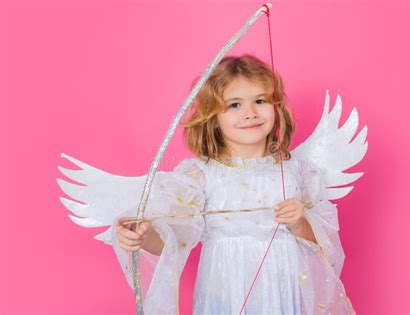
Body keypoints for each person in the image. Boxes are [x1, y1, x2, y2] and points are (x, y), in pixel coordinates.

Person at [111, 54, 356, 314]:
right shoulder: (201, 174)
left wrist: (300, 222)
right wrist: (143, 236)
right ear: (212, 117)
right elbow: (175, 237)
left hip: (285, 291)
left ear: (277, 107)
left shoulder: (296, 172)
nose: (250, 113)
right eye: (234, 105)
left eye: (260, 101)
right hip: (225, 289)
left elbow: (324, 249)